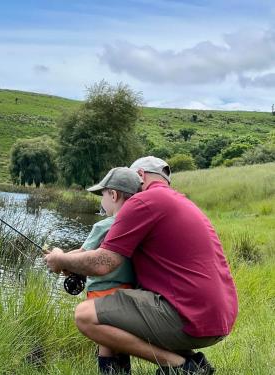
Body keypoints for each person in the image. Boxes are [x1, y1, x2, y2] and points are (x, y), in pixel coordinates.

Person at [44, 156, 238, 375]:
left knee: (85, 315)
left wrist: (60, 259)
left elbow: (103, 263)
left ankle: (182, 368)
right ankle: (193, 362)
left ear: (140, 176)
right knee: (116, 307)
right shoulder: (181, 202)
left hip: (190, 317)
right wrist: (75, 265)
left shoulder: (144, 202)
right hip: (218, 318)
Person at [64, 167, 141, 374]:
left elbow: (83, 254)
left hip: (102, 293)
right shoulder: (138, 227)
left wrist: (59, 259)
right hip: (129, 294)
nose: (102, 200)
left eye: (102, 195)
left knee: (105, 341)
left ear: (113, 195)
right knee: (120, 340)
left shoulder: (104, 226)